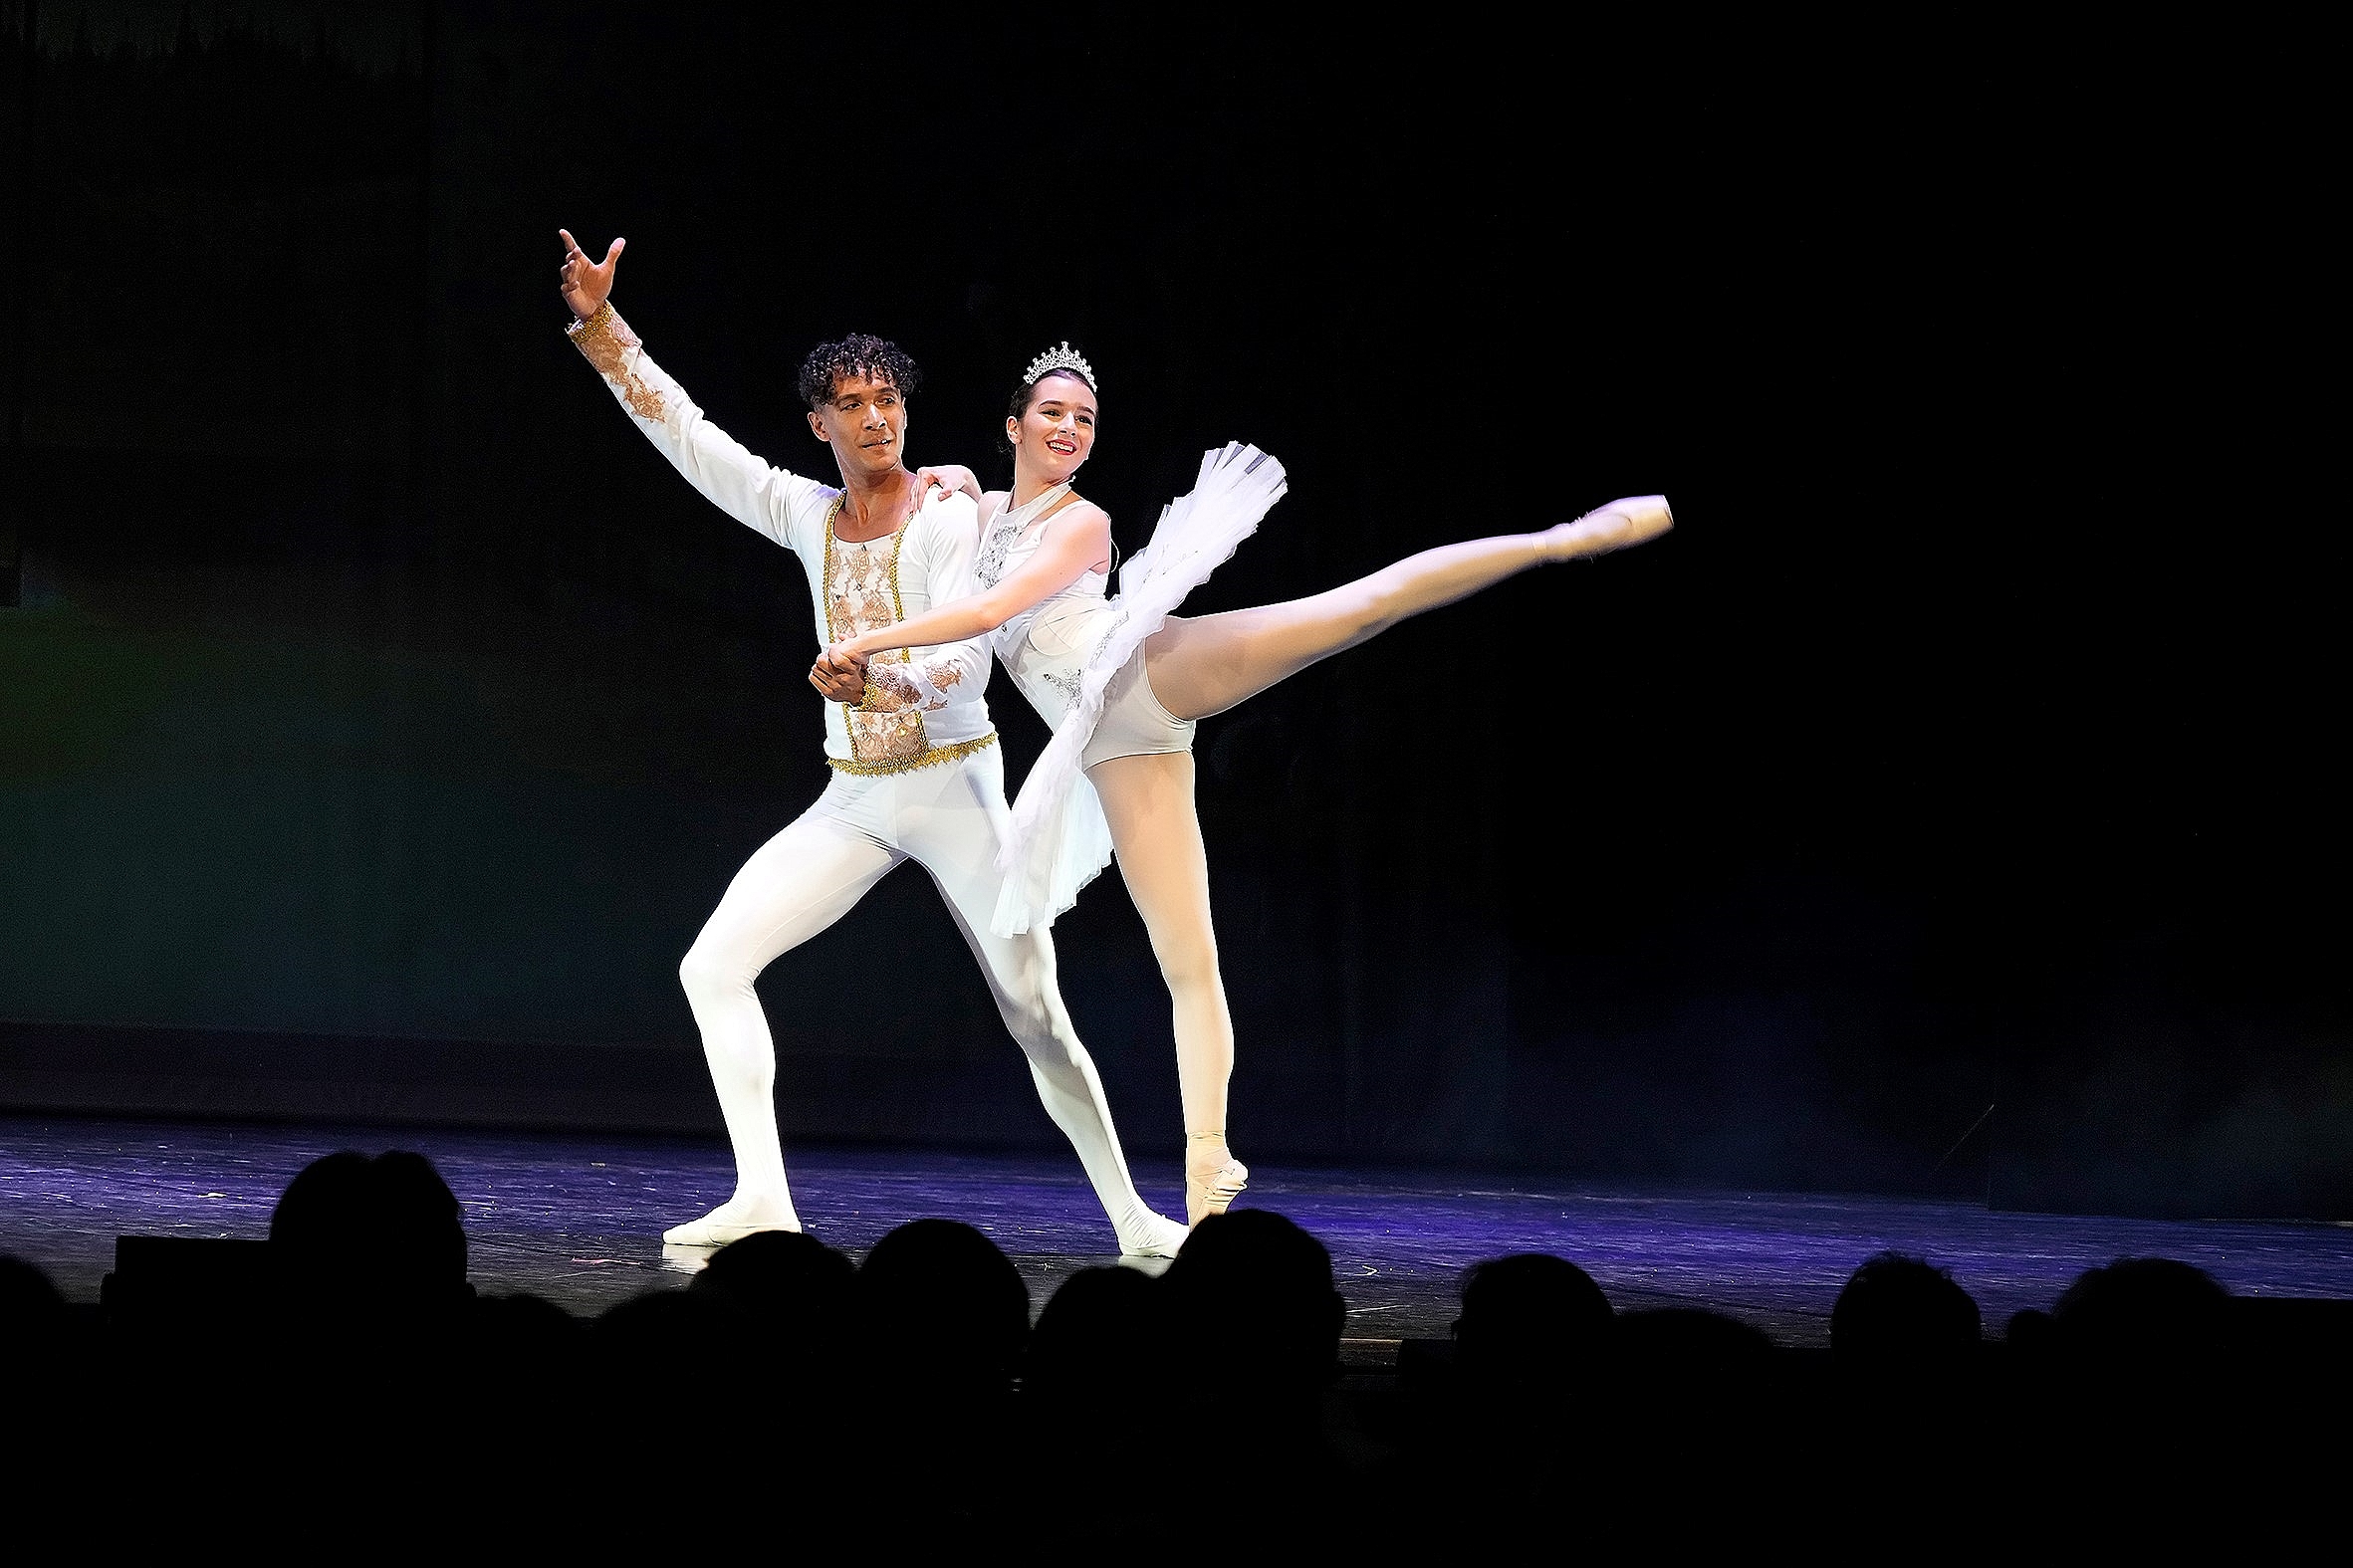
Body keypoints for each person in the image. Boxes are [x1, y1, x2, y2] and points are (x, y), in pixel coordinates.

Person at [821, 344, 1671, 1221]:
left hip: (1141, 672)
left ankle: (1564, 539)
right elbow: (952, 498)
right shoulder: (980, 507)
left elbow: (991, 610)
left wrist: (867, 642)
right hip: (1108, 747)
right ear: (1014, 426)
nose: (1070, 428)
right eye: (1052, 413)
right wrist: (952, 480)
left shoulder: (1084, 522)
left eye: (1084, 419)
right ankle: (1208, 1167)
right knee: (1186, 960)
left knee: (1358, 608)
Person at [553, 233, 1184, 1256]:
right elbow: (691, 439)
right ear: (821, 423)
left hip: (956, 786)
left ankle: (1134, 1217)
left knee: (1035, 1014)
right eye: (851, 403)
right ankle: (764, 1198)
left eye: (886, 398)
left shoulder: (943, 517)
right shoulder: (806, 515)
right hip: (855, 795)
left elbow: (964, 660)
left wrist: (874, 677)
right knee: (712, 966)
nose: (876, 416)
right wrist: (601, 326)